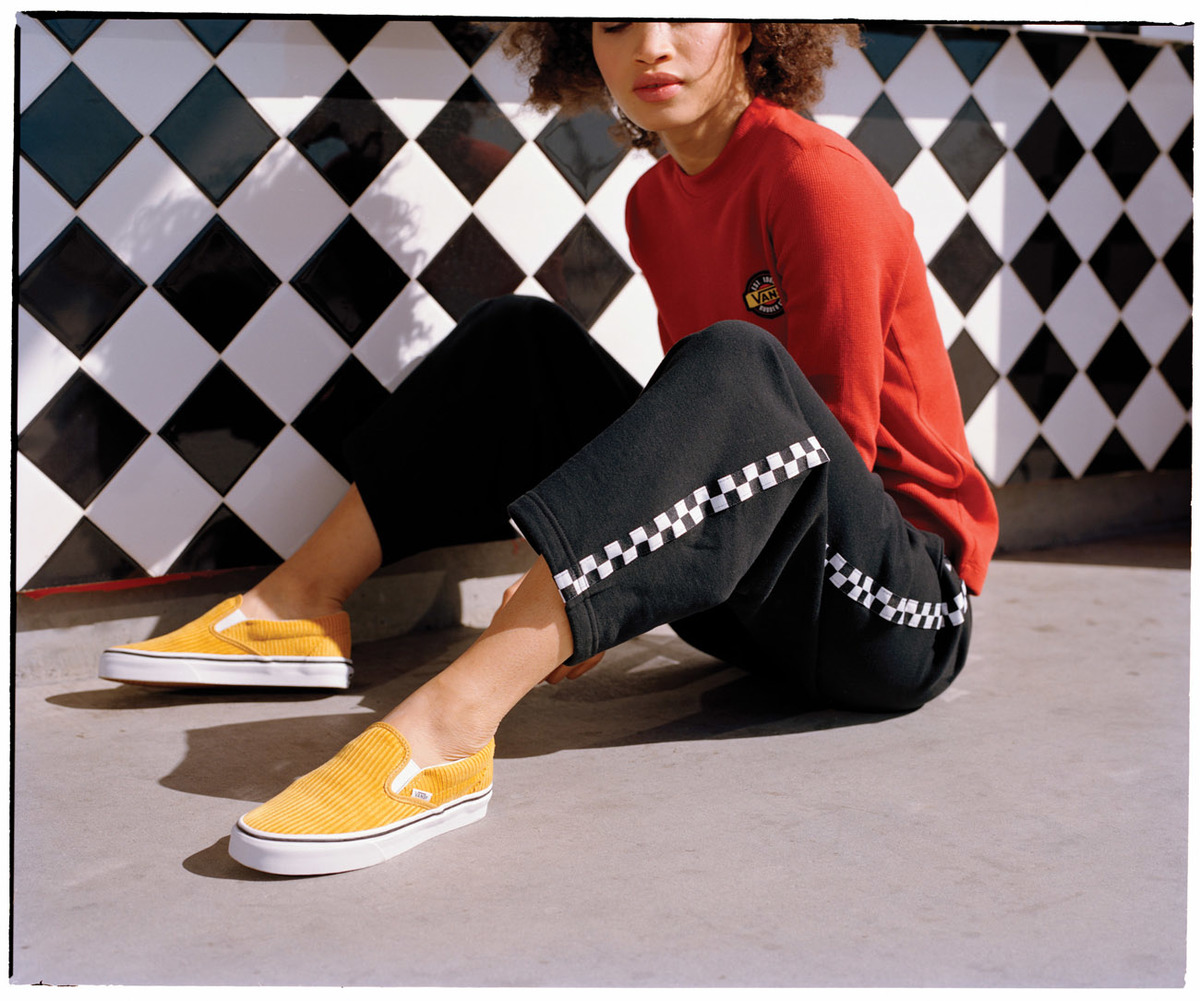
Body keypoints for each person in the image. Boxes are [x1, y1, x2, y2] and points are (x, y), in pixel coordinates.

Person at [98, 21, 999, 876]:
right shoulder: (654, 203)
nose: (650, 46)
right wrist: (604, 555)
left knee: (735, 365)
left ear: (750, 26)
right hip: (752, 611)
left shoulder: (818, 180)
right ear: (582, 45)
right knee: (518, 342)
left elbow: (825, 443)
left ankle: (447, 731)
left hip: (894, 612)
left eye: (684, 13)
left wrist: (588, 568)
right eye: (613, 24)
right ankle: (298, 605)